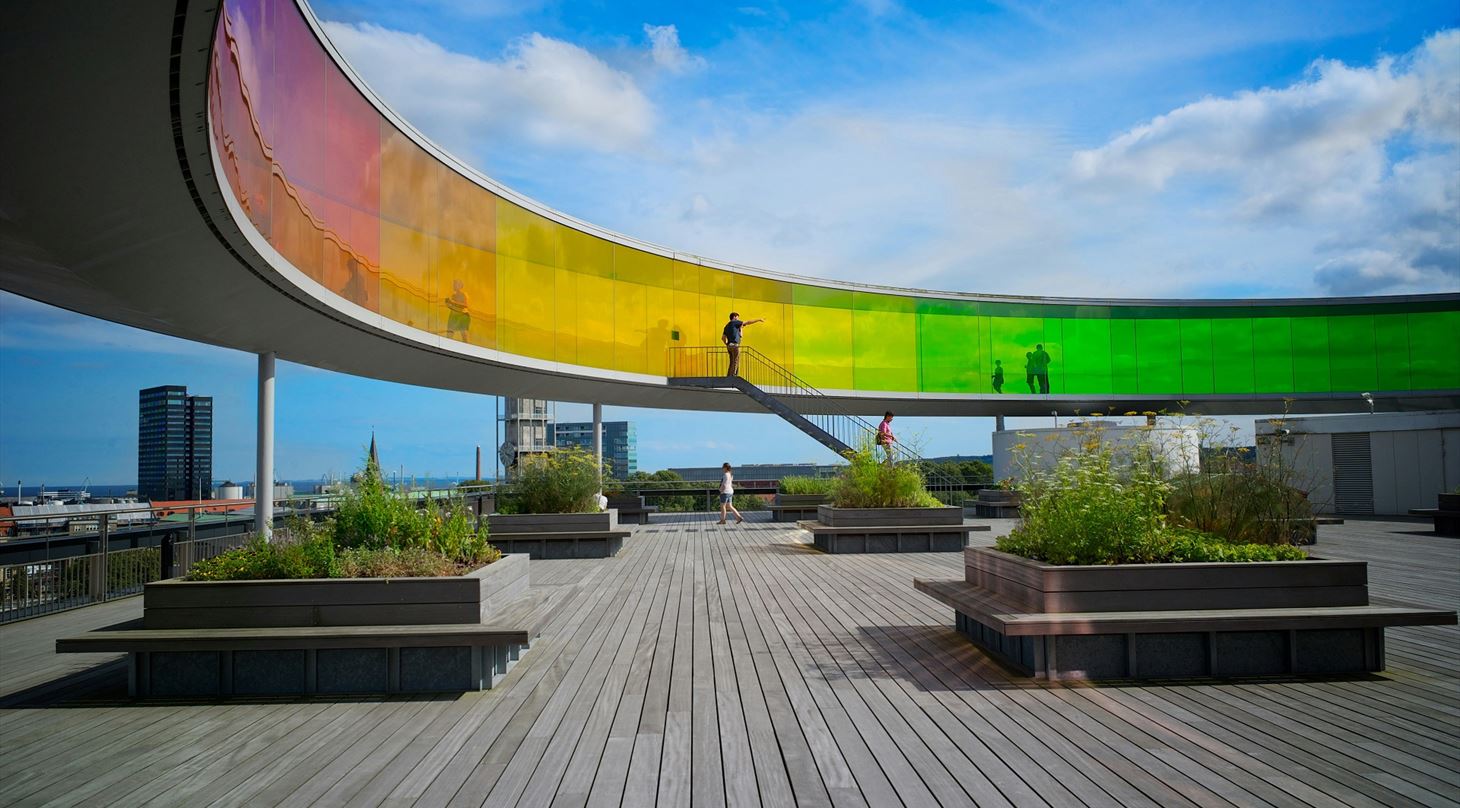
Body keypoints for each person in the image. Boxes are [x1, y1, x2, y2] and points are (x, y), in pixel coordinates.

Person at [722, 312, 764, 376]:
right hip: (735, 345)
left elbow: (723, 338)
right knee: (736, 361)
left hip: (729, 346)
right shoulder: (735, 322)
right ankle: (733, 376)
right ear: (735, 317)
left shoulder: (727, 326)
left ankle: (729, 376)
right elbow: (748, 322)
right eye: (738, 317)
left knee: (732, 362)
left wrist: (727, 344)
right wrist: (758, 319)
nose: (738, 319)